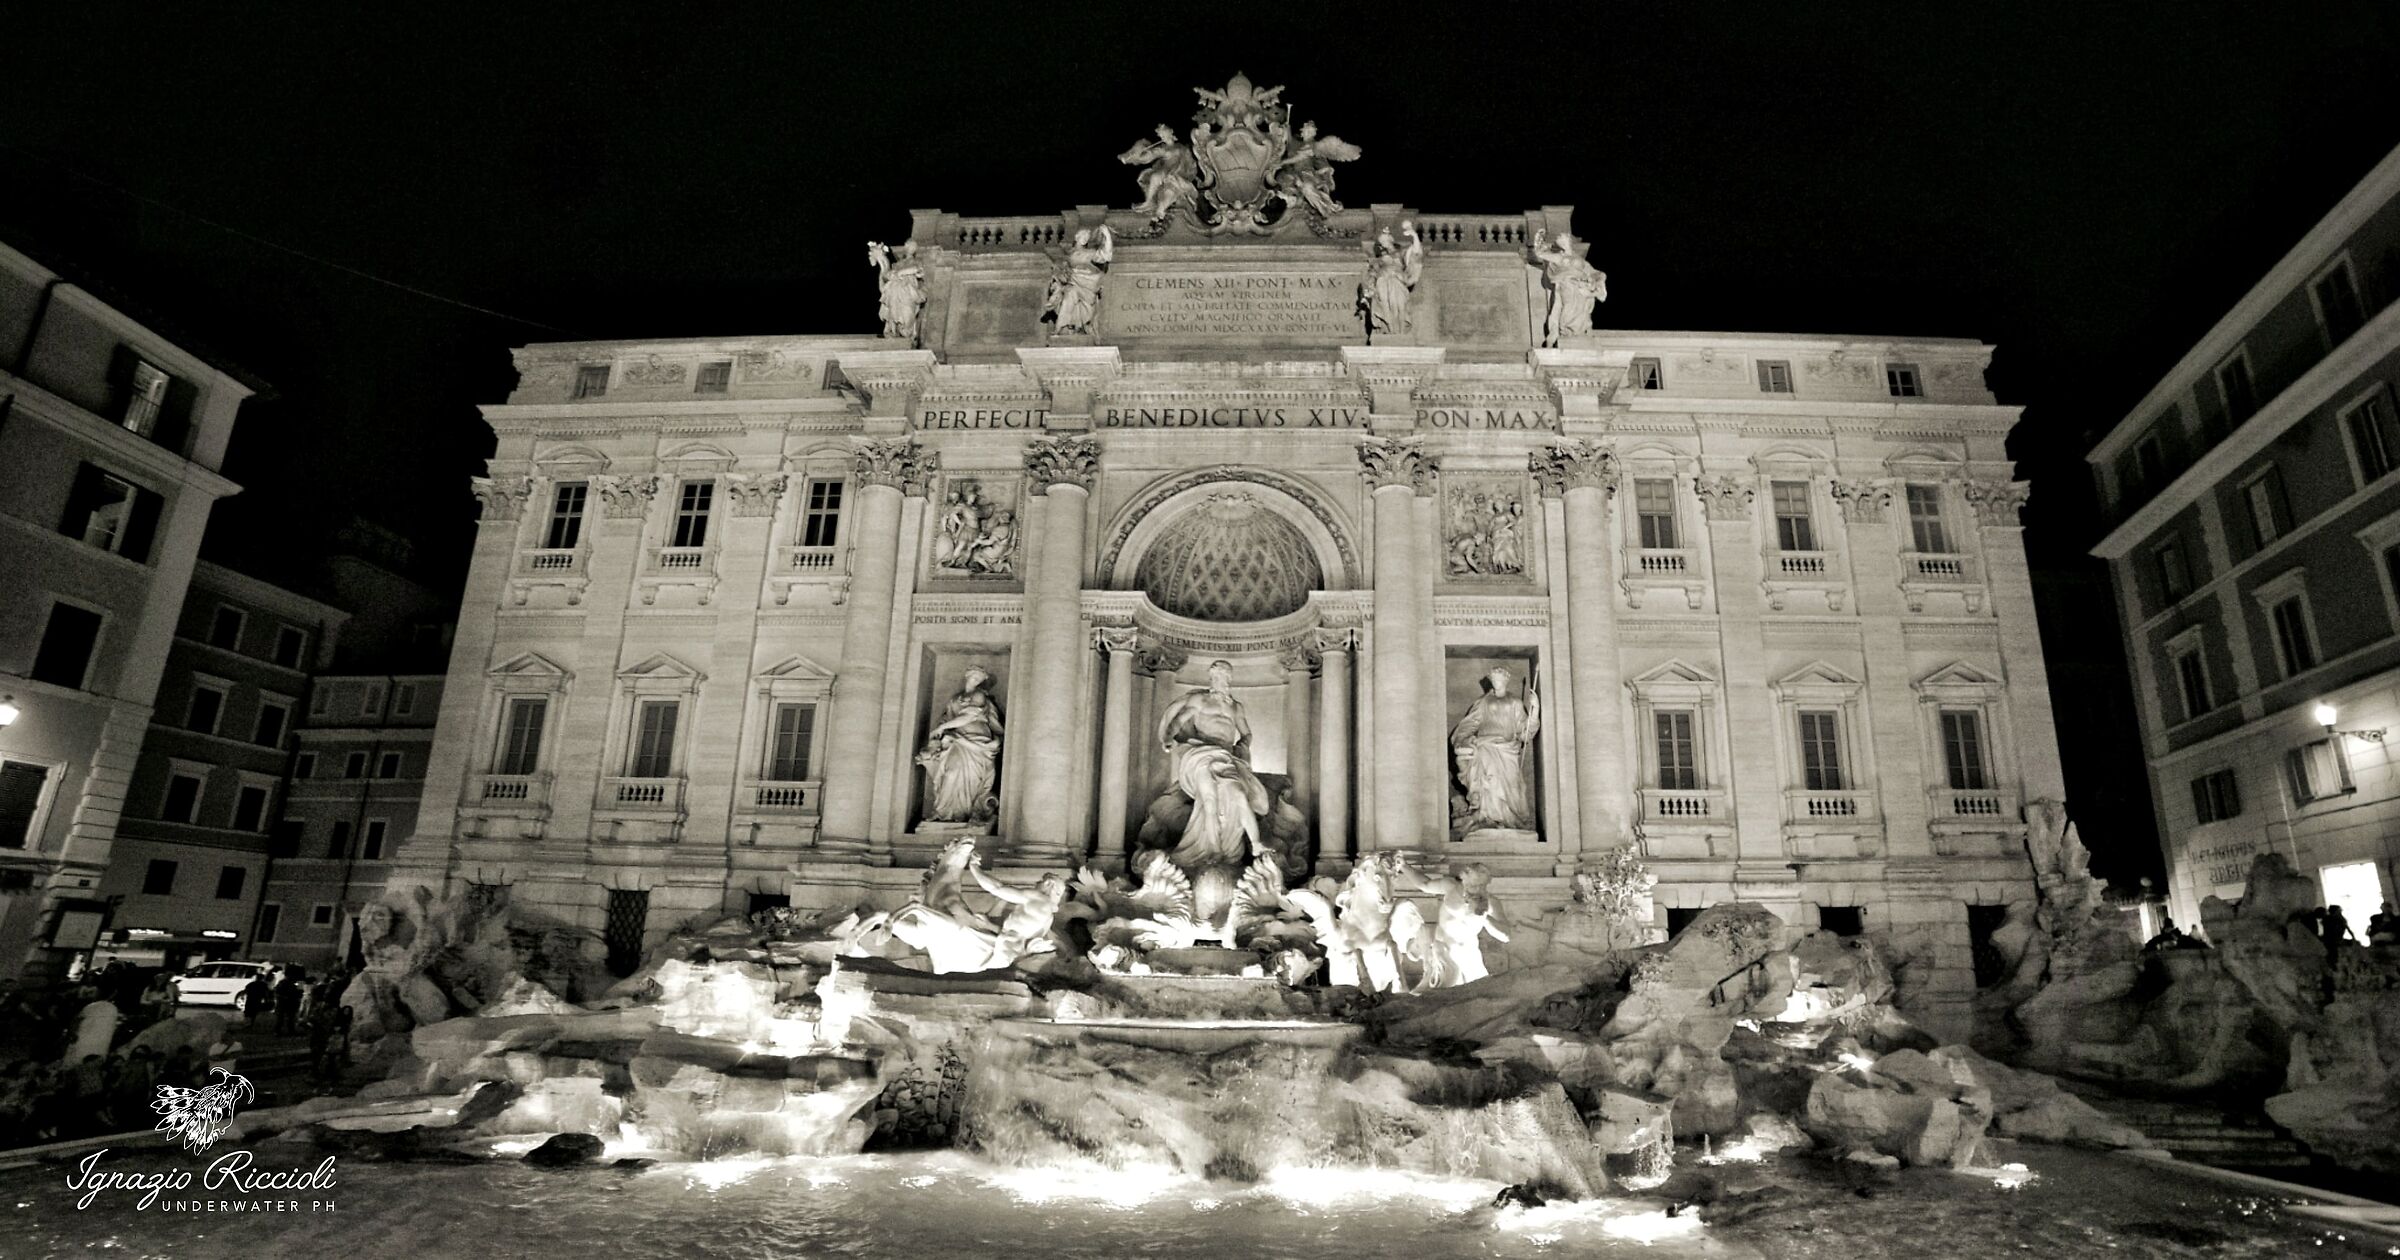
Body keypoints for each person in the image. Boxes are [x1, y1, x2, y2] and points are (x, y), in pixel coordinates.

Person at [274, 968, 305, 1035]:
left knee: (285, 1017)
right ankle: (284, 1030)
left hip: (286, 1002)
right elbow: (278, 992)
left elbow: (277, 992)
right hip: (287, 1002)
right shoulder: (286, 983)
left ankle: (281, 1030)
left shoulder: (285, 983)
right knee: (287, 1017)